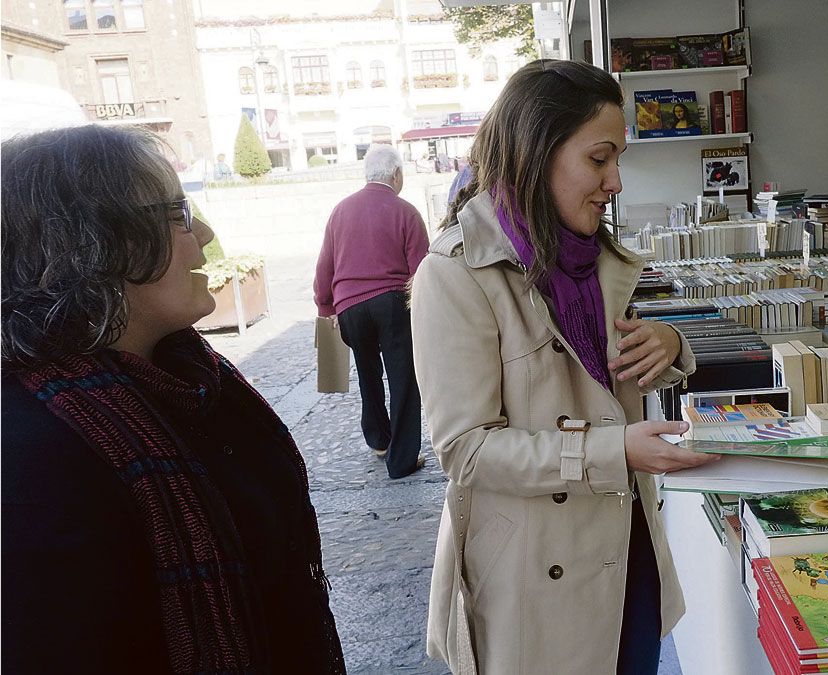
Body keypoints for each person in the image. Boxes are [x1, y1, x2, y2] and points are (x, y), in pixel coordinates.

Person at [410, 59, 719, 674]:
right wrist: (615, 452)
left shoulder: (597, 257)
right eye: (599, 159)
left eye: (618, 160)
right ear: (535, 152)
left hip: (626, 548)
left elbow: (608, 382)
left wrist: (669, 343)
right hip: (537, 579)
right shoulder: (455, 272)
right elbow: (466, 451)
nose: (616, 182)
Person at [1, 125, 344, 673]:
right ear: (92, 242)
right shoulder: (29, 454)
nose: (204, 233)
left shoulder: (194, 378)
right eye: (177, 213)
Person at [314, 143, 429, 478]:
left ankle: (379, 440)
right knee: (403, 378)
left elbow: (325, 265)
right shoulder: (405, 211)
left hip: (349, 307)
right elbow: (420, 271)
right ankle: (403, 459)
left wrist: (326, 307)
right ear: (396, 175)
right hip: (391, 304)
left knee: (367, 372)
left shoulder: (340, 211)